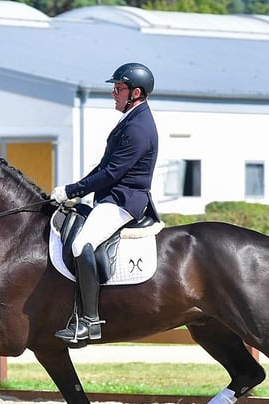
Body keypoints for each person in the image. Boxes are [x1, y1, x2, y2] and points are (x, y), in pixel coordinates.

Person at [51, 62, 160, 343]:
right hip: (111, 197)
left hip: (124, 201)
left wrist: (72, 190)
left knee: (81, 244)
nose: (114, 93)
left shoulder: (138, 128)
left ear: (135, 92)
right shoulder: (132, 120)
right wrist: (74, 190)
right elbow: (104, 167)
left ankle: (89, 321)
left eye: (119, 88)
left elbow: (112, 173)